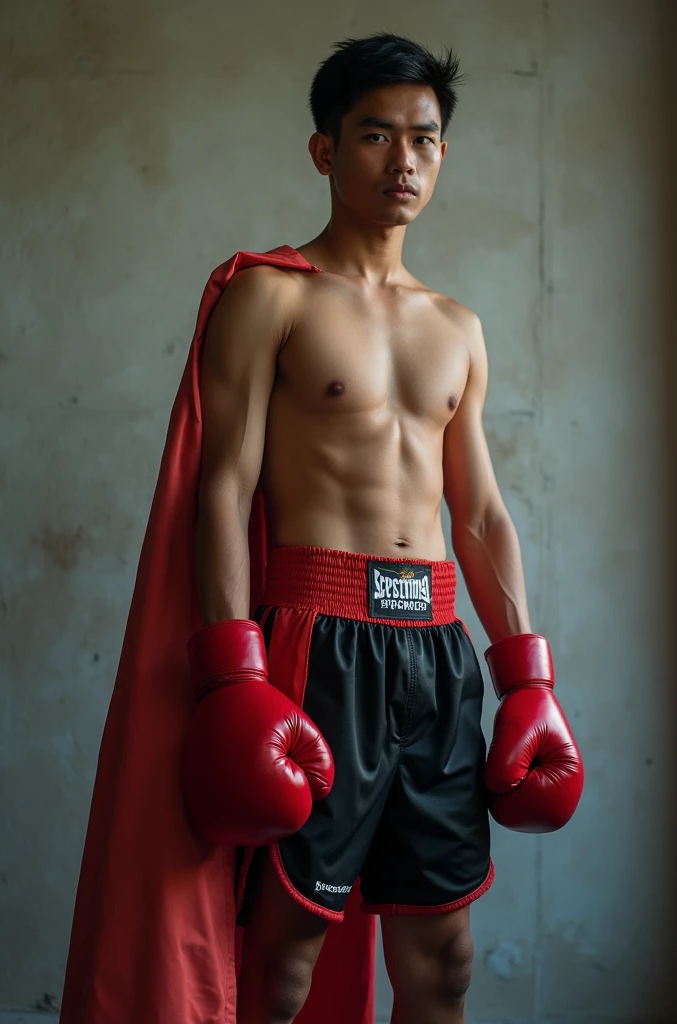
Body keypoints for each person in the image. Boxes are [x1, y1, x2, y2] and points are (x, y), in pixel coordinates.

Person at [60, 32, 583, 1024]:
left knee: (445, 959)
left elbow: (475, 511)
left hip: (435, 656)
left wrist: (526, 674)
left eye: (423, 139)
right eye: (376, 134)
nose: (403, 160)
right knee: (286, 957)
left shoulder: (457, 326)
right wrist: (234, 673)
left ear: (443, 155)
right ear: (324, 150)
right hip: (315, 646)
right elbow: (221, 486)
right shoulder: (270, 295)